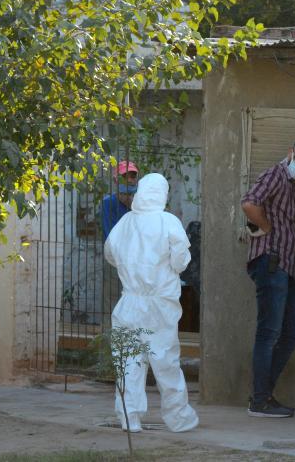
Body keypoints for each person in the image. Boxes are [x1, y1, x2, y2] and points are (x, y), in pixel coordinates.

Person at [104, 173, 198, 433]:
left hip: (129, 301)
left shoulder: (125, 222)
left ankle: (129, 418)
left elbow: (110, 253)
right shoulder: (169, 222)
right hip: (159, 303)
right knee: (165, 360)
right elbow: (181, 262)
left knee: (129, 361)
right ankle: (179, 418)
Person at [240, 136, 295, 418]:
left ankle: (262, 396)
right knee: (269, 333)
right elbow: (250, 204)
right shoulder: (275, 174)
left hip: (289, 266)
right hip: (271, 263)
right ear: (290, 153)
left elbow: (292, 234)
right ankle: (260, 401)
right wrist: (265, 228)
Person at [100, 161, 139, 240]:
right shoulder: (108, 203)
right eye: (124, 176)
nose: (129, 180)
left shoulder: (143, 201)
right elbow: (109, 234)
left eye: (133, 176)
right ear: (115, 180)